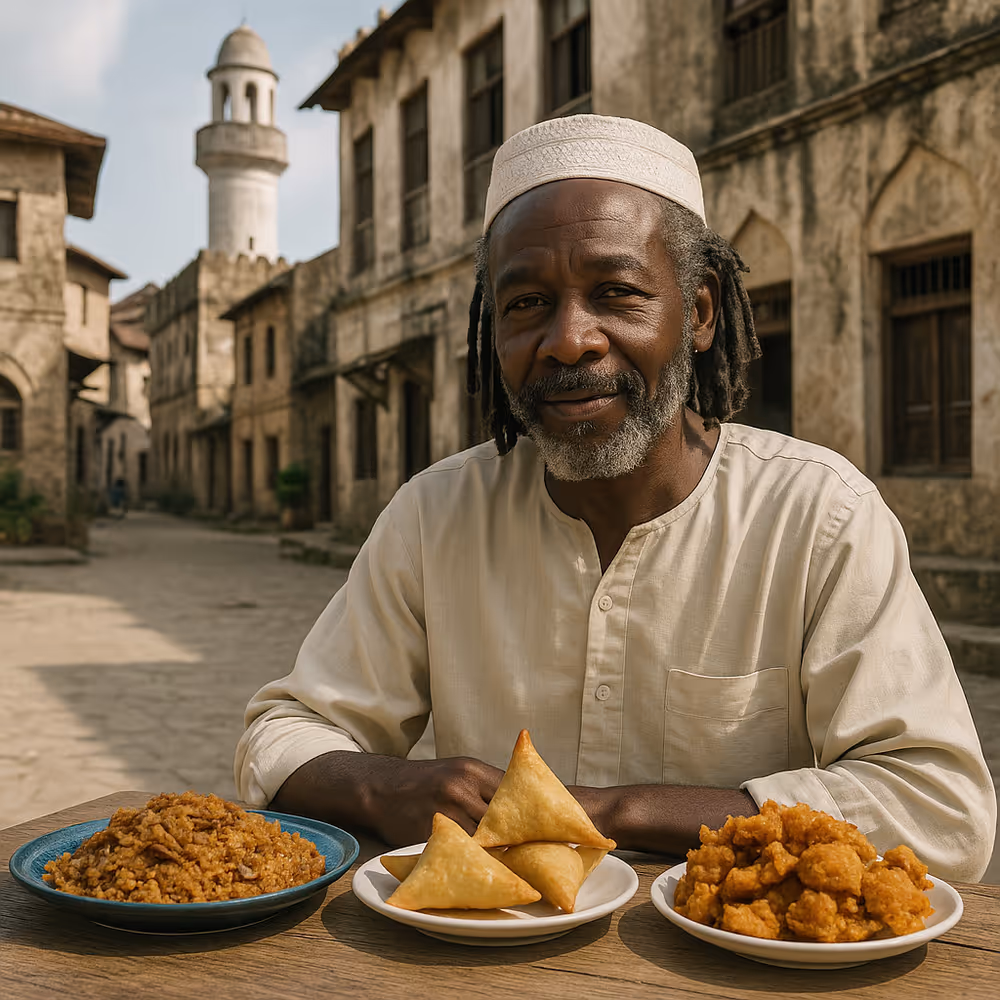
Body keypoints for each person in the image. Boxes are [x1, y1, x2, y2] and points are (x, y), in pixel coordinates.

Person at [235, 115, 995, 881]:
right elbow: (285, 733)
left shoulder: (819, 518)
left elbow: (941, 811)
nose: (570, 339)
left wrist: (608, 812)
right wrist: (390, 784)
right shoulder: (435, 518)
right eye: (526, 304)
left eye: (616, 293)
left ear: (698, 312)